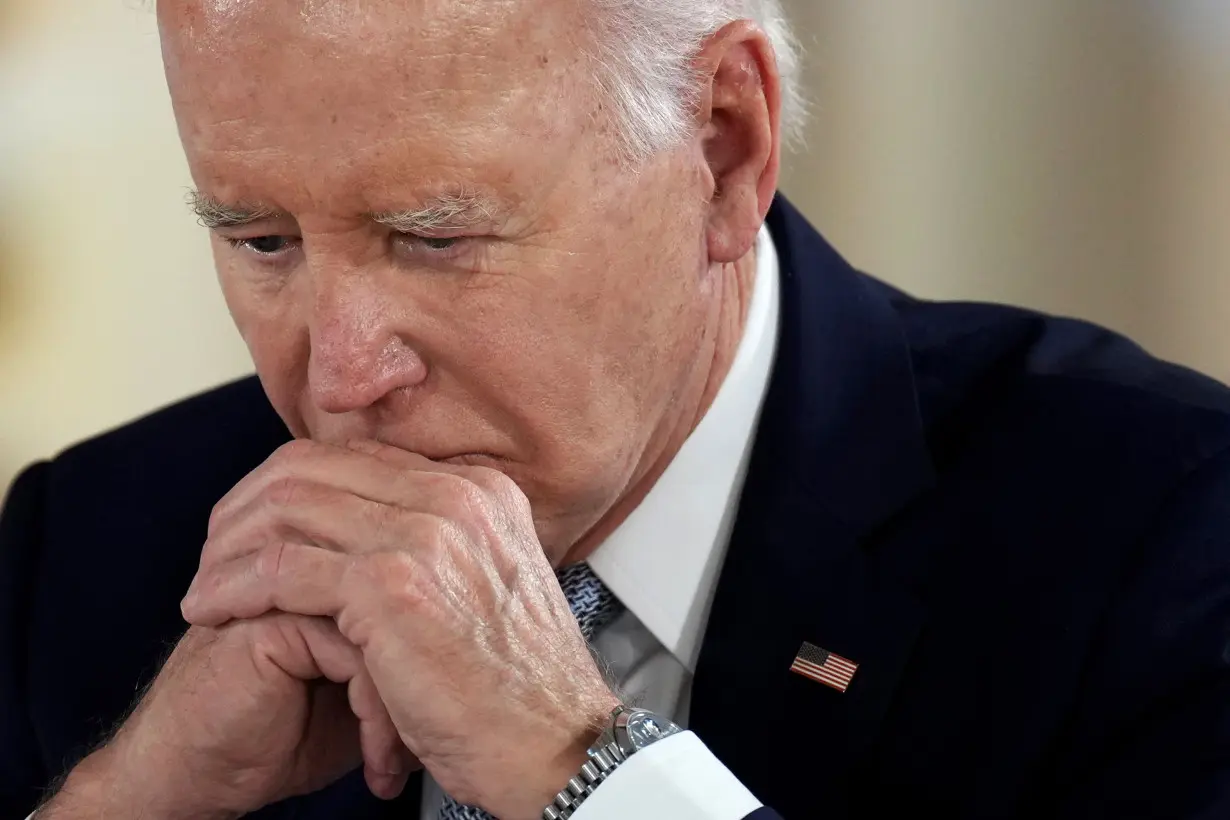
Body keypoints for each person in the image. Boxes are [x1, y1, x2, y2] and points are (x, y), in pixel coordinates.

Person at [3, 0, 1230, 817]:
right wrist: (134, 797)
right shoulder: (93, 544)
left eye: (434, 236)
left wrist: (579, 769)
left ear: (724, 147)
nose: (337, 377)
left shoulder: (1166, 535)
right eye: (263, 241)